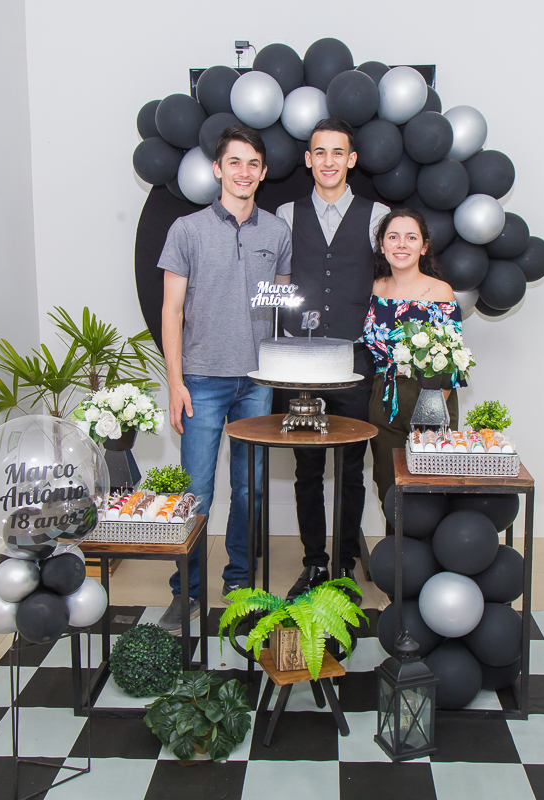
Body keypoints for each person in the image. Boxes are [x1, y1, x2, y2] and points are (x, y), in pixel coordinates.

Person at [157, 125, 292, 631]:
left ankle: (239, 583)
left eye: (253, 163)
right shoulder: (187, 230)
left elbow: (280, 309)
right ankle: (187, 593)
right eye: (234, 162)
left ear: (263, 172)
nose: (244, 172)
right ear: (217, 169)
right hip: (202, 381)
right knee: (195, 492)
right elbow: (171, 312)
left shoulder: (277, 232)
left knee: (250, 490)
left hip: (257, 382)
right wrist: (175, 382)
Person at [275, 118, 389, 601]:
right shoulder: (286, 213)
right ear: (308, 159)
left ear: (351, 160)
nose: (328, 161)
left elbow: (388, 280)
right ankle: (314, 563)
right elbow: (277, 280)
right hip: (300, 362)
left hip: (354, 360)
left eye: (337, 152)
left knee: (350, 465)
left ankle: (343, 564)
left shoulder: (377, 215)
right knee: (306, 467)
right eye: (319, 152)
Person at [365, 209, 463, 529]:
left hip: (430, 395)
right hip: (384, 396)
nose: (401, 244)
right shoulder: (375, 288)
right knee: (389, 486)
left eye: (411, 237)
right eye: (393, 237)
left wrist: (432, 409)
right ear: (382, 245)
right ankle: (396, 558)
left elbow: (453, 358)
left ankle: (432, 556)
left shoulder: (440, 292)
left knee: (429, 489)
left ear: (424, 247)